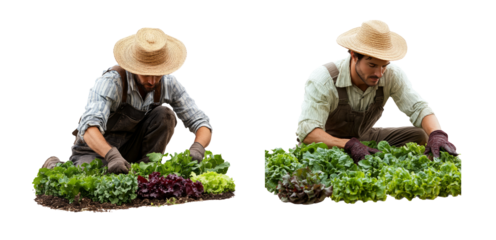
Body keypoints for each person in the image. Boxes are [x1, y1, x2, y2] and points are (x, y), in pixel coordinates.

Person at [41, 26, 213, 174]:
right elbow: (89, 128)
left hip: (130, 148)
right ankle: (55, 165)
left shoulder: (168, 84)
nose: (152, 81)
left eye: (157, 74)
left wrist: (198, 148)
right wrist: (111, 156)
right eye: (146, 74)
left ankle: (144, 172)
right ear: (134, 66)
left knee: (165, 114)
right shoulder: (111, 82)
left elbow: (201, 122)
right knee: (88, 181)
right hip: (95, 150)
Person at [294, 18, 458, 165]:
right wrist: (348, 144)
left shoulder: (392, 73)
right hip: (327, 142)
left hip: (364, 137)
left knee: (421, 134)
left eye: (383, 65)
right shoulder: (323, 78)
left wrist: (437, 134)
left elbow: (418, 107)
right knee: (313, 153)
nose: (379, 73)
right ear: (354, 56)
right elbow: (308, 133)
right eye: (372, 65)